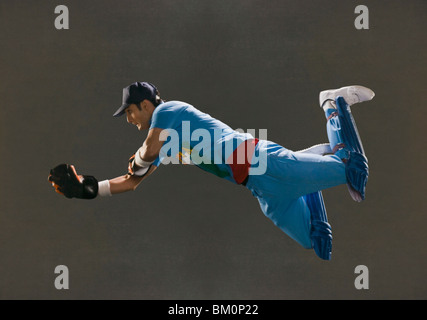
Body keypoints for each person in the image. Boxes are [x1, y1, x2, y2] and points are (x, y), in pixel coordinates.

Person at [48, 82, 375, 260]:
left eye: (130, 112)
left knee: (354, 168)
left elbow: (146, 152)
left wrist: (141, 158)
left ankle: (333, 104)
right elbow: (133, 182)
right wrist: (88, 190)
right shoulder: (165, 142)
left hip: (261, 160)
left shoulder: (170, 111)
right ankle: (310, 172)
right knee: (318, 244)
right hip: (261, 188)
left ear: (146, 105)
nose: (130, 120)